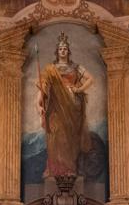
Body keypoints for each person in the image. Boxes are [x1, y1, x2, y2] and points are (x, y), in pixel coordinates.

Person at [37, 31, 93, 177]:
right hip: (55, 105)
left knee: (70, 136)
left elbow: (90, 79)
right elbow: (43, 87)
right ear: (57, 51)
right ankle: (55, 169)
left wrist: (78, 89)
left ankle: (69, 169)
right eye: (61, 49)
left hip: (72, 105)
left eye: (65, 49)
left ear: (68, 51)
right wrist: (39, 103)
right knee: (56, 133)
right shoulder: (51, 69)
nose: (63, 51)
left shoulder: (75, 67)